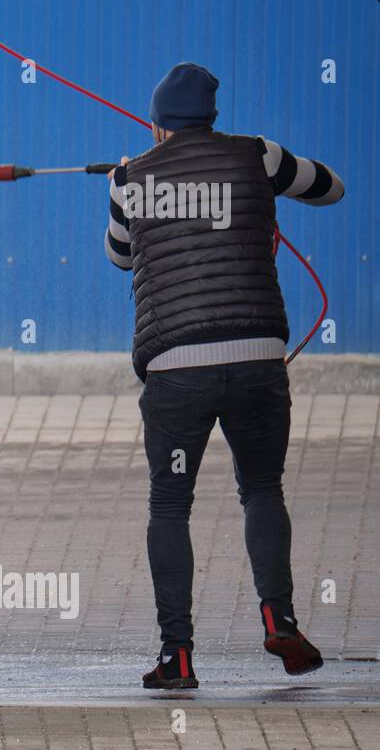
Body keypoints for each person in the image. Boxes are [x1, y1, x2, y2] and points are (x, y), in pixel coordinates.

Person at [104, 62, 344, 689]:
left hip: (176, 370)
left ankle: (177, 657)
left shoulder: (132, 178)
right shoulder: (258, 156)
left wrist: (118, 188)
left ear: (158, 127)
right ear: (211, 118)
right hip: (256, 359)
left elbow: (119, 255)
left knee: (170, 506)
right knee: (262, 489)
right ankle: (279, 615)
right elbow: (332, 189)